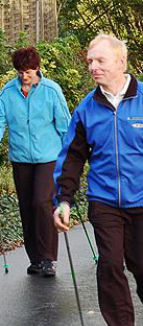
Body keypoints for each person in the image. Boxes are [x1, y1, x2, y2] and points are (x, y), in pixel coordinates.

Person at [52, 34, 143, 326]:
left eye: (100, 60)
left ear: (120, 62)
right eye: (90, 61)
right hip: (104, 200)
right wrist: (63, 199)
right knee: (110, 265)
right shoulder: (87, 108)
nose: (92, 66)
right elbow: (72, 157)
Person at [0, 47, 70, 277]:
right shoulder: (8, 92)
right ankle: (36, 259)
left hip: (48, 157)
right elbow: (0, 122)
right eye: (19, 71)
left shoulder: (51, 91)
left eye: (28, 71)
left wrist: (71, 157)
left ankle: (49, 258)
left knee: (42, 202)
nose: (23, 76)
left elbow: (64, 125)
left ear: (37, 68)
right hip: (21, 158)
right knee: (27, 206)